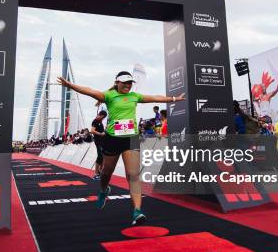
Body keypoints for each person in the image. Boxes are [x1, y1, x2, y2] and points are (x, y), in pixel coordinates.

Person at [57, 71, 185, 225]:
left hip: (130, 138)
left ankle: (137, 211)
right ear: (117, 82)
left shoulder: (134, 96)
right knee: (106, 173)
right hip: (112, 139)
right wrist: (70, 85)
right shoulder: (109, 96)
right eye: (125, 82)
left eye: (130, 82)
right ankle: (104, 190)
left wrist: (173, 99)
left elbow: (154, 98)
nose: (128, 85)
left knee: (133, 175)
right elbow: (89, 91)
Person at [90, 111, 107, 180]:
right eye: (102, 117)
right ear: (100, 115)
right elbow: (92, 131)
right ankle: (96, 173)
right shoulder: (95, 121)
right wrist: (100, 134)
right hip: (98, 141)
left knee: (103, 156)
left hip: (103, 141)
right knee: (100, 156)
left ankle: (100, 171)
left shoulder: (100, 121)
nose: (103, 119)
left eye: (104, 118)